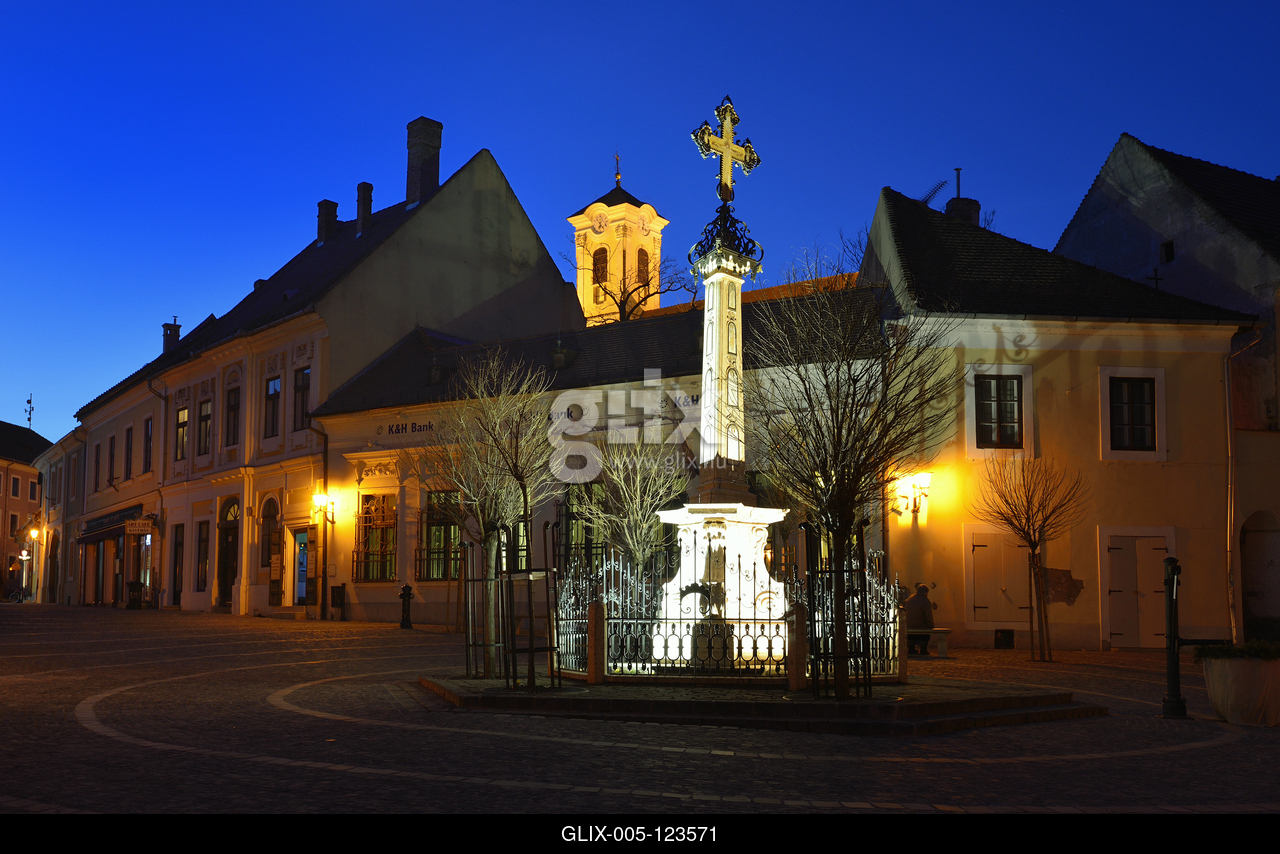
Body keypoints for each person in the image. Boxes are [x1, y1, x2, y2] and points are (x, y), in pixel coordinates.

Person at [904, 583, 934, 655]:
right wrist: (931, 625)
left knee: (911, 636)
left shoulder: (909, 599)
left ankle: (911, 648)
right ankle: (923, 649)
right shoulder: (925, 601)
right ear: (926, 592)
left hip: (908, 624)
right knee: (925, 634)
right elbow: (928, 616)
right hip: (920, 625)